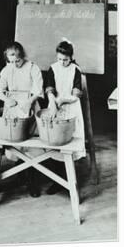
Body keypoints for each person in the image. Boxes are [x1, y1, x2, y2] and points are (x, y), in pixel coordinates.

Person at [0, 41, 43, 197]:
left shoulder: (32, 68)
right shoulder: (8, 69)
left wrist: (29, 102)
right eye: (11, 61)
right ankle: (20, 175)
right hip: (13, 107)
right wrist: (6, 99)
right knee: (16, 142)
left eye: (18, 61)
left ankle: (32, 180)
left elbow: (38, 89)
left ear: (23, 56)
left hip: (29, 104)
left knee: (31, 143)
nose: (15, 64)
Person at [43, 38, 86, 193]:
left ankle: (70, 180)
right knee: (56, 140)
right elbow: (49, 89)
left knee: (70, 141)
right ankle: (57, 179)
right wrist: (53, 102)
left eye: (66, 60)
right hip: (55, 106)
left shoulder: (75, 70)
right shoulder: (53, 68)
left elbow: (75, 95)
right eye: (59, 59)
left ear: (71, 57)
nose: (62, 62)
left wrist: (62, 100)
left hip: (71, 107)